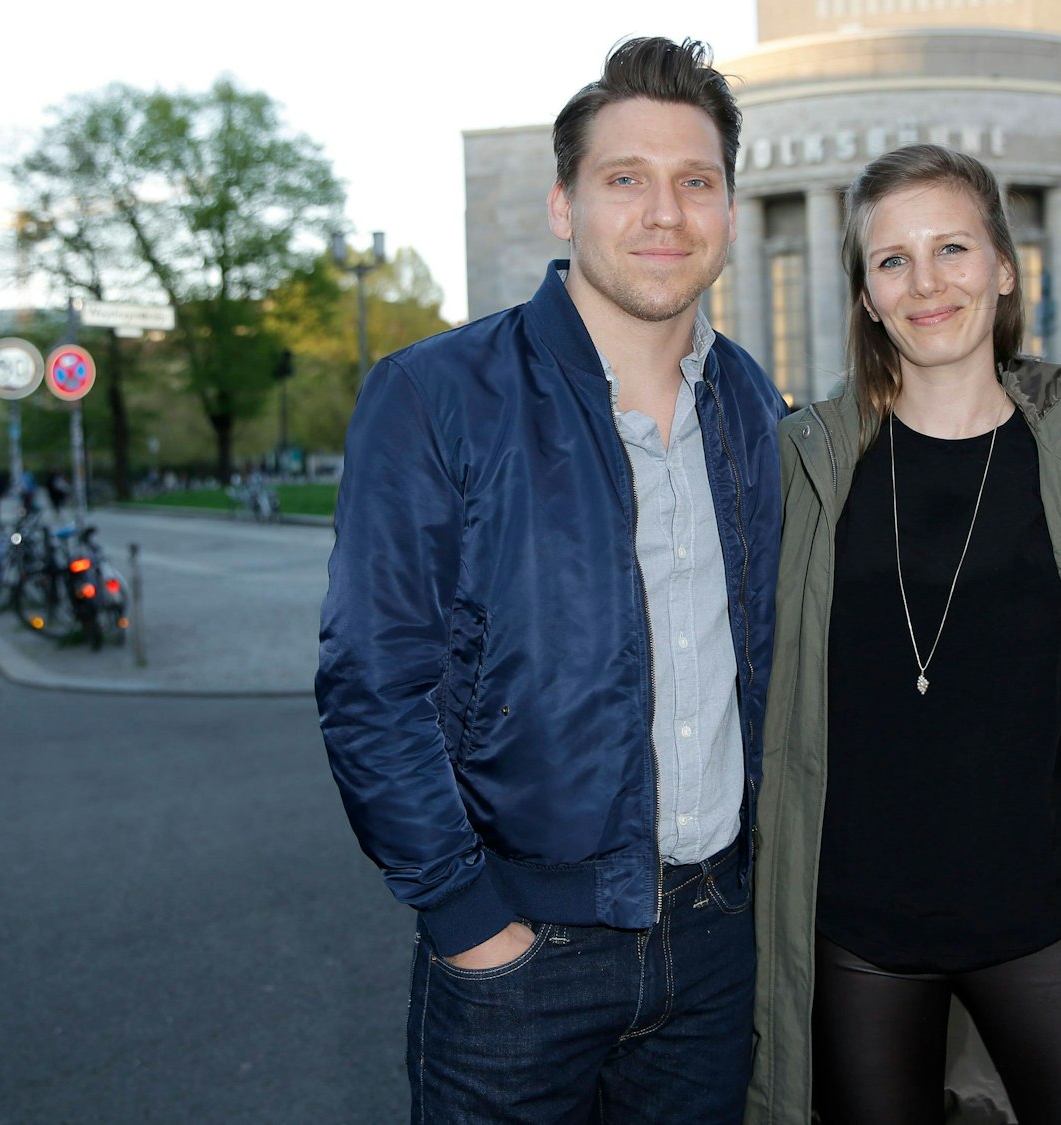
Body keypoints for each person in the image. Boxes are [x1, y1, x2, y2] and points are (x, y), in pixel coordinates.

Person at [316, 36, 783, 1124]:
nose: (664, 212)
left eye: (694, 181)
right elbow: (369, 686)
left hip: (714, 942)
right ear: (564, 206)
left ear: (724, 210)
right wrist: (467, 921)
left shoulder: (751, 404)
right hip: (519, 956)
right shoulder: (436, 395)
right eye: (625, 179)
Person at [748, 145, 1061, 1124]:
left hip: (1042, 926)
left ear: (1004, 268)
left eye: (951, 248)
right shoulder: (800, 469)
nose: (925, 283)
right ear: (865, 295)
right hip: (854, 936)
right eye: (891, 260)